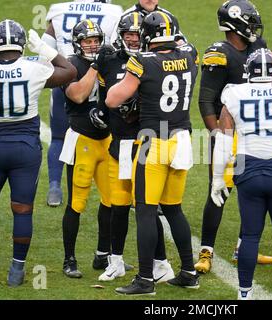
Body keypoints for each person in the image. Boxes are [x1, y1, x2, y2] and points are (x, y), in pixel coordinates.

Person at [0, 20, 76, 286]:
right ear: (22, 42)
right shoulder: (35, 68)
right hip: (25, 148)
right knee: (23, 209)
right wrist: (45, 50)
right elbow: (69, 71)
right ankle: (16, 271)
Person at [106, 11, 199, 295]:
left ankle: (145, 279)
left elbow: (112, 99)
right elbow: (184, 48)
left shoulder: (143, 61)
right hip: (182, 139)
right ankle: (188, 272)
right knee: (173, 209)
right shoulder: (190, 54)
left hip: (151, 140)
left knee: (145, 211)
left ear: (148, 36)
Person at [210, 48, 272, 299]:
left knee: (251, 234)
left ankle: (244, 291)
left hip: (248, 166)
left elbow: (222, 140)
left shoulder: (234, 93)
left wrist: (218, 178)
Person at [195, 0, 272, 275]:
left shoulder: (259, 46)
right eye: (249, 20)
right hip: (227, 134)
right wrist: (217, 136)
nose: (254, 26)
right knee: (218, 194)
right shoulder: (219, 53)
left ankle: (245, 247)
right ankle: (206, 251)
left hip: (255, 134)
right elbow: (206, 101)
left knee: (253, 194)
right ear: (233, 24)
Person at [93, 11, 174, 283]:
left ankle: (160, 263)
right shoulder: (109, 59)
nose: (133, 40)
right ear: (121, 35)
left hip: (144, 142)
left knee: (144, 207)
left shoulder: (152, 62)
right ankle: (118, 261)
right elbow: (105, 98)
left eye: (137, 36)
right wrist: (101, 112)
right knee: (119, 204)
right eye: (128, 35)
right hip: (120, 142)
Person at [42, 0, 123, 208]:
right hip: (89, 77)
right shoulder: (112, 11)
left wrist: (62, 67)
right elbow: (118, 44)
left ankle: (54, 187)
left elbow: (45, 50)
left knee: (59, 136)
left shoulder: (60, 10)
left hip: (68, 71)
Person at [59, 19, 112, 278]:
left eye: (96, 41)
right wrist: (96, 66)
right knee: (77, 203)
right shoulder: (70, 65)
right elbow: (78, 95)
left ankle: (103, 255)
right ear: (77, 43)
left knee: (112, 200)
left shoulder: (110, 59)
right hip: (82, 141)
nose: (92, 46)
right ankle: (69, 259)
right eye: (87, 41)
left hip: (108, 140)